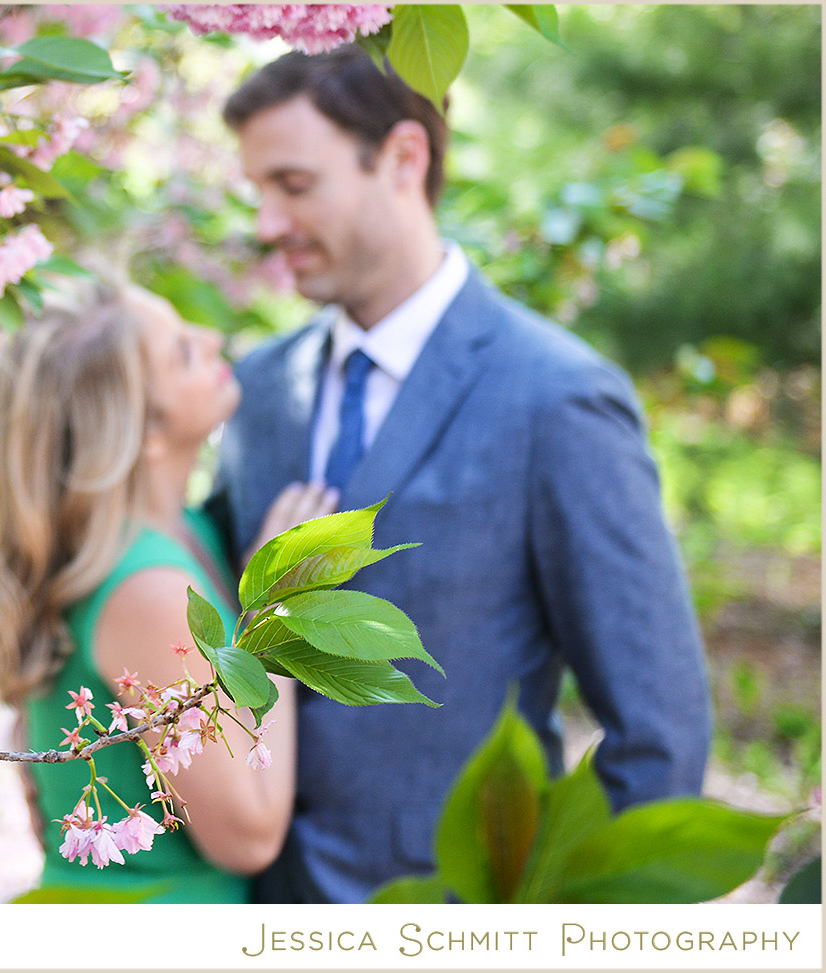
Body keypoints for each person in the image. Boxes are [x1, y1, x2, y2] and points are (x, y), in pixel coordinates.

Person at [207, 47, 713, 903]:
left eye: (293, 185)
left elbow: (658, 734)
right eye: (257, 190)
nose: (266, 223)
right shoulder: (258, 387)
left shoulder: (558, 400)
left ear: (404, 157)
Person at [0, 284, 334, 902]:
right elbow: (249, 838)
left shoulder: (185, 531)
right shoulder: (147, 590)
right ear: (145, 429)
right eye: (183, 351)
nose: (213, 338)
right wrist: (278, 605)